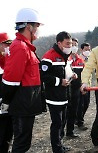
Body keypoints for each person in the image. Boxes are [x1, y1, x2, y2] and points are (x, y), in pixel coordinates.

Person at [0, 8, 43, 153]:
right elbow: (11, 80)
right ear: (29, 27)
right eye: (37, 26)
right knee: (21, 144)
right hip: (22, 105)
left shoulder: (26, 47)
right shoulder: (20, 47)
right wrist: (6, 101)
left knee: (23, 142)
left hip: (26, 104)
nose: (38, 29)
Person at [41, 31, 77, 153]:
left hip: (65, 95)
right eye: (67, 44)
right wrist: (58, 81)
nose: (69, 46)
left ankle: (60, 144)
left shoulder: (66, 56)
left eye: (71, 44)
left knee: (63, 122)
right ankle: (56, 148)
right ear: (59, 43)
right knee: (57, 123)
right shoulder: (49, 56)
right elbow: (43, 76)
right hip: (54, 97)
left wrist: (72, 75)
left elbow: (65, 71)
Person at [66, 38, 84, 138]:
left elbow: (84, 74)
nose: (73, 46)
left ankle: (70, 131)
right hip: (66, 89)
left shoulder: (80, 60)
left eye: (75, 44)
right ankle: (61, 132)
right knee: (65, 112)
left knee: (74, 110)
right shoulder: (66, 59)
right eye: (71, 44)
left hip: (77, 89)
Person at [0, 32, 13, 153]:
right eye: (5, 44)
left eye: (10, 44)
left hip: (9, 104)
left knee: (8, 132)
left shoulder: (9, 61)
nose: (8, 47)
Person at [76, 42, 91, 130]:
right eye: (86, 50)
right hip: (80, 85)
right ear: (81, 50)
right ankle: (80, 122)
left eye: (89, 50)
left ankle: (78, 119)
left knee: (86, 104)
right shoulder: (79, 59)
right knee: (80, 104)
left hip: (88, 85)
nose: (88, 51)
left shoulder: (90, 59)